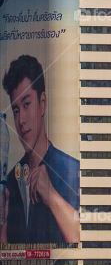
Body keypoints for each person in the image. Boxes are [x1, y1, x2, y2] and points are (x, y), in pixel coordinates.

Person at [1, 55, 79, 246]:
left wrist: (51, 196)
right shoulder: (10, 183)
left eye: (27, 105)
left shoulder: (72, 170)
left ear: (42, 103)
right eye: (16, 110)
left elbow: (85, 238)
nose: (21, 120)